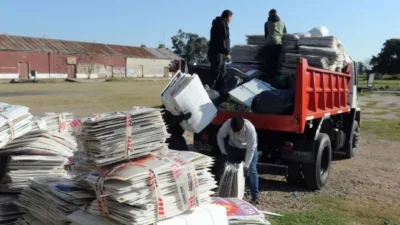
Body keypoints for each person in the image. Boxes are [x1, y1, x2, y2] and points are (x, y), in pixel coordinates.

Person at [217, 116, 259, 205]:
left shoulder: (250, 130)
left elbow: (251, 149)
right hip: (233, 147)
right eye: (234, 131)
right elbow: (220, 136)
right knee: (230, 169)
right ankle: (229, 194)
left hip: (248, 149)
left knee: (252, 170)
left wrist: (246, 166)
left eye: (238, 131)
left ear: (243, 126)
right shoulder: (227, 124)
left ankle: (255, 196)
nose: (236, 133)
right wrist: (223, 152)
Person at [208, 9, 233, 90]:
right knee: (216, 73)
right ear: (228, 16)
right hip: (217, 53)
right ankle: (211, 91)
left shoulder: (216, 23)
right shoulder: (222, 24)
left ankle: (219, 92)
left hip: (215, 51)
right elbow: (225, 39)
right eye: (231, 18)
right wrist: (227, 52)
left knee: (222, 73)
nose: (231, 20)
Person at [264, 9, 287, 79]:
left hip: (269, 44)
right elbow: (285, 34)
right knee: (276, 62)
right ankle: (275, 77)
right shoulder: (282, 23)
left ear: (270, 14)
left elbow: (266, 35)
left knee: (269, 62)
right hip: (279, 44)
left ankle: (269, 78)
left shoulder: (267, 23)